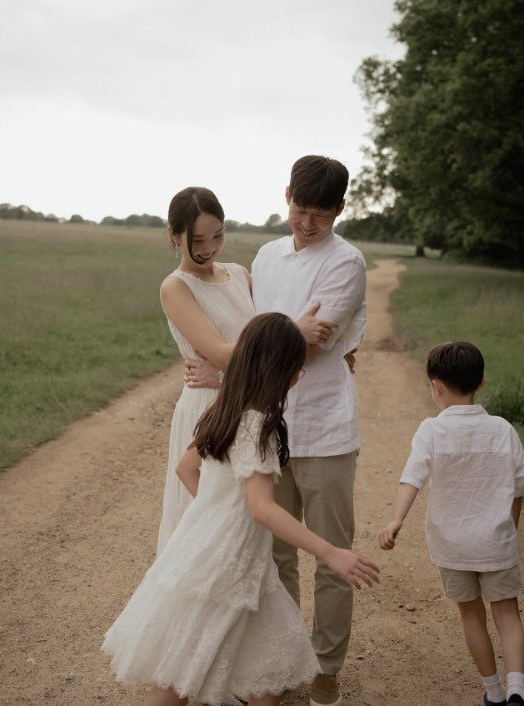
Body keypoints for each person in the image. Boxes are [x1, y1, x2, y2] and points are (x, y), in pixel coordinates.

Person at [102, 313, 380, 706]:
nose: (302, 369)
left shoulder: (225, 407)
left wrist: (218, 516)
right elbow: (262, 509)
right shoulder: (259, 425)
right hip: (226, 563)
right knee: (181, 679)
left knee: (268, 671)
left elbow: (187, 468)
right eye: (296, 362)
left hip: (220, 550)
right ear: (276, 368)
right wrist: (331, 552)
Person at [185, 156, 367, 706]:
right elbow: (276, 338)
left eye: (318, 214)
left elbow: (310, 345)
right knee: (273, 555)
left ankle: (326, 670)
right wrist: (289, 332)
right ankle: (283, 666)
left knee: (333, 556)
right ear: (286, 194)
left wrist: (262, 349)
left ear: (339, 210)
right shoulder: (265, 256)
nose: (305, 223)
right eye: (298, 208)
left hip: (325, 427)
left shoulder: (347, 263)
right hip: (265, 424)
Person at [157, 186, 333, 555]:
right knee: (210, 531)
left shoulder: (239, 274)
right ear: (173, 236)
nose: (208, 249)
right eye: (197, 240)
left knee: (252, 522)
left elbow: (257, 347)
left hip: (248, 402)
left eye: (217, 236)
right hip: (208, 407)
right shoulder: (176, 287)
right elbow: (223, 354)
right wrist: (293, 330)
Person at [379, 341, 524, 706]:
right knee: (507, 612)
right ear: (482, 383)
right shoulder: (503, 429)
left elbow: (412, 477)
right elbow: (519, 486)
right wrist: (510, 526)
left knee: (471, 614)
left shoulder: (432, 430)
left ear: (436, 386)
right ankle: (518, 688)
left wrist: (397, 518)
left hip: (453, 544)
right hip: (496, 542)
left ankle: (492, 691)